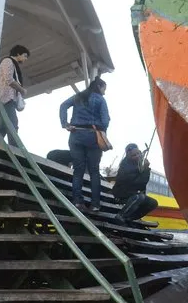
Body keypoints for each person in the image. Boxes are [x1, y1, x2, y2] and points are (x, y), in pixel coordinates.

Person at [59, 76, 109, 212]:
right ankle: (95, 204)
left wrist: (65, 124)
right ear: (99, 86)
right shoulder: (100, 99)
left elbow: (63, 106)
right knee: (94, 171)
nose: (105, 91)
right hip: (93, 137)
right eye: (104, 88)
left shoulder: (78, 96)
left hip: (76, 135)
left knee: (78, 170)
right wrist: (102, 133)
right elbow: (105, 121)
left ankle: (77, 202)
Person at [112, 143, 158, 223]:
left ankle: (130, 219)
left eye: (138, 153)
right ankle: (121, 216)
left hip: (134, 193)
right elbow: (139, 183)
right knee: (138, 197)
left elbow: (143, 183)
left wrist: (145, 169)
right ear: (128, 155)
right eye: (134, 155)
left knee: (153, 203)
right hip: (122, 193)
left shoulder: (140, 164)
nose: (137, 156)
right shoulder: (125, 166)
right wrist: (146, 169)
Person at [0, 45, 29, 145]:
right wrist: (21, 90)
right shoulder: (8, 61)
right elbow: (9, 79)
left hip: (6, 98)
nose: (25, 59)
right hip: (6, 97)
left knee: (2, 126)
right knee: (12, 123)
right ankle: (15, 148)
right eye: (25, 55)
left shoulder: (12, 63)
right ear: (18, 54)